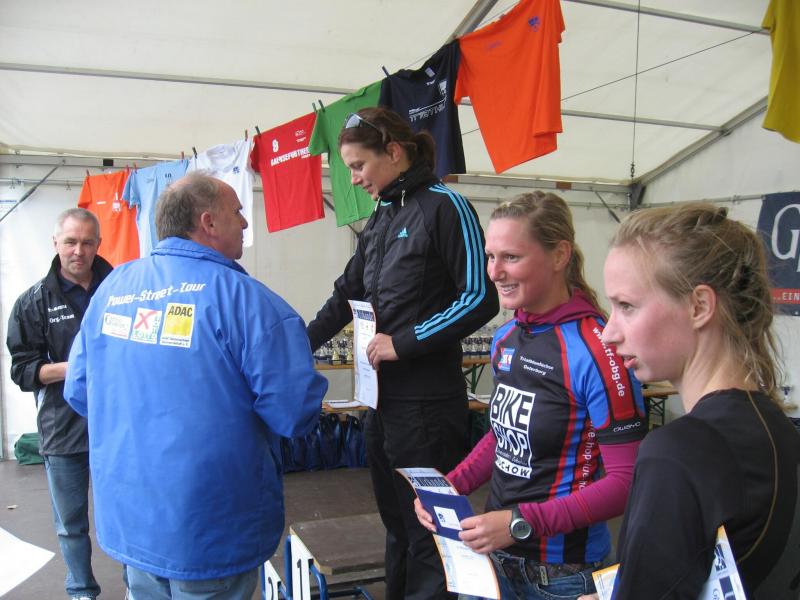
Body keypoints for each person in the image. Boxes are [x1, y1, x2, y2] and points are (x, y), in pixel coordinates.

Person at [63, 173, 328, 600]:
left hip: (132, 516)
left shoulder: (113, 288)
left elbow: (78, 391)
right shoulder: (251, 303)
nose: (245, 222)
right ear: (208, 222)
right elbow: (294, 413)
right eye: (238, 212)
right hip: (211, 525)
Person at [415, 192, 648, 600]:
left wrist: (520, 522)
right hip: (494, 558)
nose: (495, 272)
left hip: (563, 575)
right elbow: (504, 436)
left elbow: (627, 482)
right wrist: (451, 485)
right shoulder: (506, 337)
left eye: (511, 257)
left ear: (559, 255)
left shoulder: (599, 348)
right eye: (491, 256)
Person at [306, 106, 499, 600]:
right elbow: (347, 293)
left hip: (427, 407)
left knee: (428, 533)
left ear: (393, 152)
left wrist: (404, 342)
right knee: (396, 525)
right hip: (382, 403)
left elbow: (480, 297)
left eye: (358, 165)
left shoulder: (446, 207)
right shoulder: (382, 215)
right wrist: (298, 346)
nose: (354, 179)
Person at [580, 203, 800, 599]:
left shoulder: (675, 452)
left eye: (626, 306)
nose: (609, 332)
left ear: (699, 306)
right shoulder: (776, 424)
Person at [7, 207, 112, 600]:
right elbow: (22, 370)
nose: (78, 251)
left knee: (129, 514)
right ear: (55, 243)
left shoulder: (121, 290)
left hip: (119, 426)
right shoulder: (32, 302)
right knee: (71, 523)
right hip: (63, 429)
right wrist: (75, 368)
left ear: (98, 244)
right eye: (70, 242)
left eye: (87, 242)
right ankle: (81, 590)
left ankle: (140, 588)